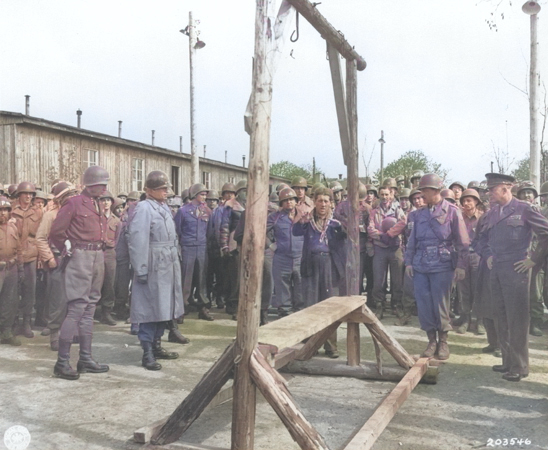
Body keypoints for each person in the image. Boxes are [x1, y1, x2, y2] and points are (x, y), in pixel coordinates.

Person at [475, 173, 548, 381]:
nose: (489, 193)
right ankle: (507, 361)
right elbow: (480, 239)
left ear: (506, 188)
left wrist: (533, 260)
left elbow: (545, 234)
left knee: (517, 319)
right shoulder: (492, 213)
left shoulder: (524, 209)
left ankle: (520, 366)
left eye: (492, 189)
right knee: (501, 316)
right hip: (496, 269)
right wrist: (487, 255)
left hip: (517, 270)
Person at [49, 166, 111, 380]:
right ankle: (62, 363)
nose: (104, 188)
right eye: (101, 184)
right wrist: (68, 251)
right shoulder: (74, 203)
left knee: (90, 308)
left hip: (96, 258)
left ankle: (85, 358)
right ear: (91, 184)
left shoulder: (97, 204)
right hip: (80, 258)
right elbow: (56, 232)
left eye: (105, 184)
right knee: (76, 308)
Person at [404, 173, 469, 361]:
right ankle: (431, 340)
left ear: (436, 191)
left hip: (442, 263)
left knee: (441, 304)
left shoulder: (452, 211)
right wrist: (408, 261)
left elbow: (462, 241)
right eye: (422, 191)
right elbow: (412, 241)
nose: (423, 195)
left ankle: (443, 341)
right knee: (424, 303)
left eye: (426, 191)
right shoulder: (418, 214)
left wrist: (461, 266)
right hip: (421, 264)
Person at [128, 171, 183, 370]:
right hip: (153, 263)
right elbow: (137, 239)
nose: (165, 192)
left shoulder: (164, 207)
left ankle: (157, 345)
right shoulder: (144, 208)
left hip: (168, 263)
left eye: (166, 189)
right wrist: (141, 268)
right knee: (149, 309)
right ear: (149, 190)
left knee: (164, 308)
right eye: (161, 189)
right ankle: (147, 352)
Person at [293, 187, 345, 358]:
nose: (323, 204)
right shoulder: (307, 222)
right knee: (311, 304)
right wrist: (301, 216)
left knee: (329, 306)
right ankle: (311, 345)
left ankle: (331, 347)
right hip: (311, 264)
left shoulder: (337, 223)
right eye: (320, 200)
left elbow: (346, 240)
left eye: (326, 201)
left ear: (331, 203)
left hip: (329, 265)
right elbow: (295, 230)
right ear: (314, 202)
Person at [35, 181, 78, 350]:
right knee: (57, 301)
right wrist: (50, 258)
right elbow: (40, 238)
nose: (72, 197)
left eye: (73, 194)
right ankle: (54, 335)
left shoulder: (78, 213)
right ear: (60, 199)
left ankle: (70, 333)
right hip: (58, 260)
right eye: (68, 195)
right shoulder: (50, 215)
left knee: (74, 299)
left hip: (76, 261)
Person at [174, 183, 214, 321]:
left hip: (201, 248)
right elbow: (177, 231)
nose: (204, 197)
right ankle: (181, 309)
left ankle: (203, 308)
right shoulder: (183, 211)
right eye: (201, 194)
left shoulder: (207, 211)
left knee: (202, 279)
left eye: (205, 195)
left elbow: (210, 232)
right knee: (186, 279)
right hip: (188, 248)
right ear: (194, 195)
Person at [368, 186, 406, 318]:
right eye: (382, 195)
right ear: (379, 196)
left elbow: (403, 223)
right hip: (380, 248)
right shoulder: (374, 212)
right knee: (379, 279)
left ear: (391, 195)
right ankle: (379, 305)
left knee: (397, 280)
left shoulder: (397, 209)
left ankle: (397, 305)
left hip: (395, 248)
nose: (384, 197)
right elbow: (370, 228)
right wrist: (381, 235)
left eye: (386, 194)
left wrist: (390, 234)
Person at [12, 181, 43, 337]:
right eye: (25, 193)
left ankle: (26, 323)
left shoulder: (38, 212)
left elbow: (41, 235)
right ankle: (14, 322)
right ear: (19, 195)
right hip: (13, 256)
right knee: (12, 291)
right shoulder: (10, 209)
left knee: (29, 291)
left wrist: (40, 256)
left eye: (31, 194)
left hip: (31, 255)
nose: (28, 197)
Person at [267, 187, 304, 317]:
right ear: (281, 203)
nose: (289, 202)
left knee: (301, 289)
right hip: (281, 258)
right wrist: (270, 245)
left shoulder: (304, 215)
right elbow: (261, 231)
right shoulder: (274, 217)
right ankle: (284, 314)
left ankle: (299, 315)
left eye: (291, 199)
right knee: (282, 290)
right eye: (285, 200)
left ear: (296, 201)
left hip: (300, 258)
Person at [453, 189, 483, 334]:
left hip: (478, 256)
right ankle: (465, 318)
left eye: (469, 200)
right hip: (462, 256)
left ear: (476, 202)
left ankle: (479, 320)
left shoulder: (483, 218)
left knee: (478, 289)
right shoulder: (459, 218)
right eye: (464, 201)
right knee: (463, 289)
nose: (466, 203)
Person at [516, 181, 544, 336]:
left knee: (535, 293)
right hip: (519, 257)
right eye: (523, 193)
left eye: (530, 193)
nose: (527, 195)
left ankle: (536, 322)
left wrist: (535, 258)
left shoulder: (540, 212)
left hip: (537, 258)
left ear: (534, 195)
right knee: (519, 292)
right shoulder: (515, 212)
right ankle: (522, 322)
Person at [219, 180, 247, 317]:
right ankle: (233, 305)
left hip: (249, 246)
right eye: (243, 190)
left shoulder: (252, 205)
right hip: (234, 245)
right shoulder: (230, 207)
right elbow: (224, 227)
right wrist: (224, 246)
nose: (245, 193)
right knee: (235, 278)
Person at [0, 196, 23, 346]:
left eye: (6, 210)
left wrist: (20, 269)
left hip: (12, 268)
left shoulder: (13, 227)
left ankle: (6, 332)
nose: (3, 213)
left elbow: (19, 249)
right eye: (0, 210)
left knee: (9, 301)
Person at [98, 190, 120, 326]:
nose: (105, 203)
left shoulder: (116, 221)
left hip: (110, 253)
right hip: (97, 252)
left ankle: (106, 312)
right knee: (94, 281)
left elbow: (117, 239)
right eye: (102, 200)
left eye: (108, 200)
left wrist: (110, 244)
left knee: (109, 282)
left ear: (112, 203)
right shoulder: (94, 217)